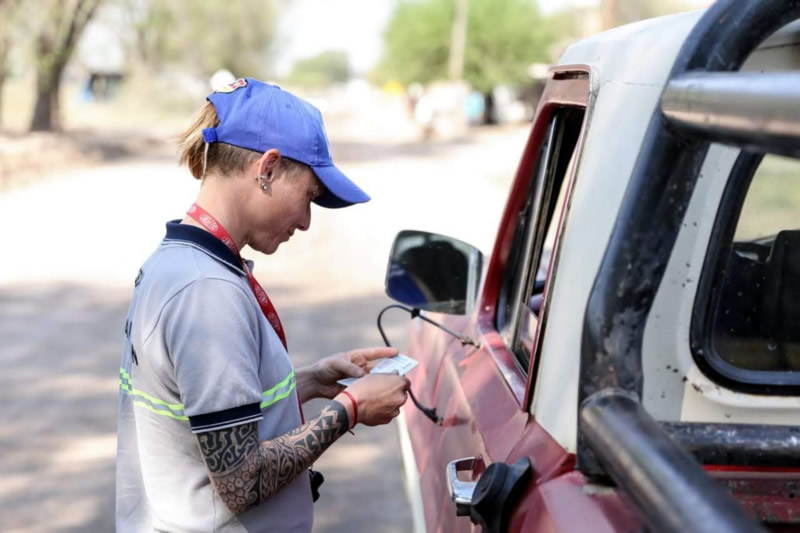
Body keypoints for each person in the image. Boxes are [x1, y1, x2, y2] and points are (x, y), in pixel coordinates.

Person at [115, 77, 411, 532]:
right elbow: (241, 481)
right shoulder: (206, 291)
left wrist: (311, 381)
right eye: (309, 196)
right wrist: (350, 409)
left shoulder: (181, 264)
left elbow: (207, 419)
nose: (307, 222)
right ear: (267, 169)